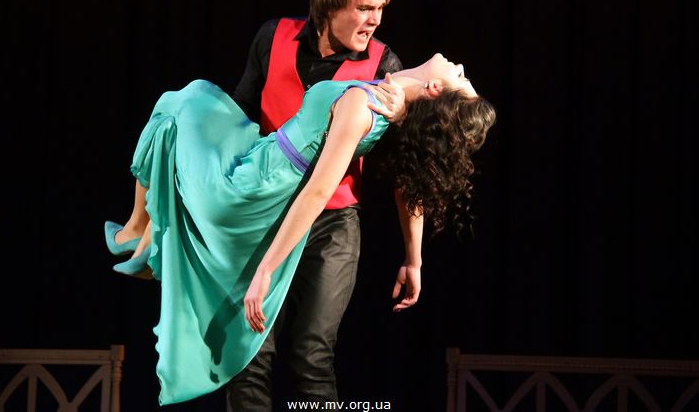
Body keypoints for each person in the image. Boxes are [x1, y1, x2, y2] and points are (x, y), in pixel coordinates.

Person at [105, 54, 496, 405]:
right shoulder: (394, 102)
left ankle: (139, 231)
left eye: (461, 79)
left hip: (255, 185)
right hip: (260, 162)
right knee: (188, 105)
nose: (462, 67)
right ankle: (144, 232)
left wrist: (266, 269)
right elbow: (411, 184)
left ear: (434, 88)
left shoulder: (365, 105)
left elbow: (318, 192)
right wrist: (414, 262)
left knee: (183, 103)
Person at [226, 0, 404, 409]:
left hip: (332, 223)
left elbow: (406, 169)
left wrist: (414, 257)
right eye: (364, 8)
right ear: (330, 4)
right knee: (249, 354)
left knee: (312, 354)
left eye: (380, 8)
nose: (374, 20)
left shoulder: (383, 64)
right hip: (265, 215)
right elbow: (238, 116)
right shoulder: (274, 37)